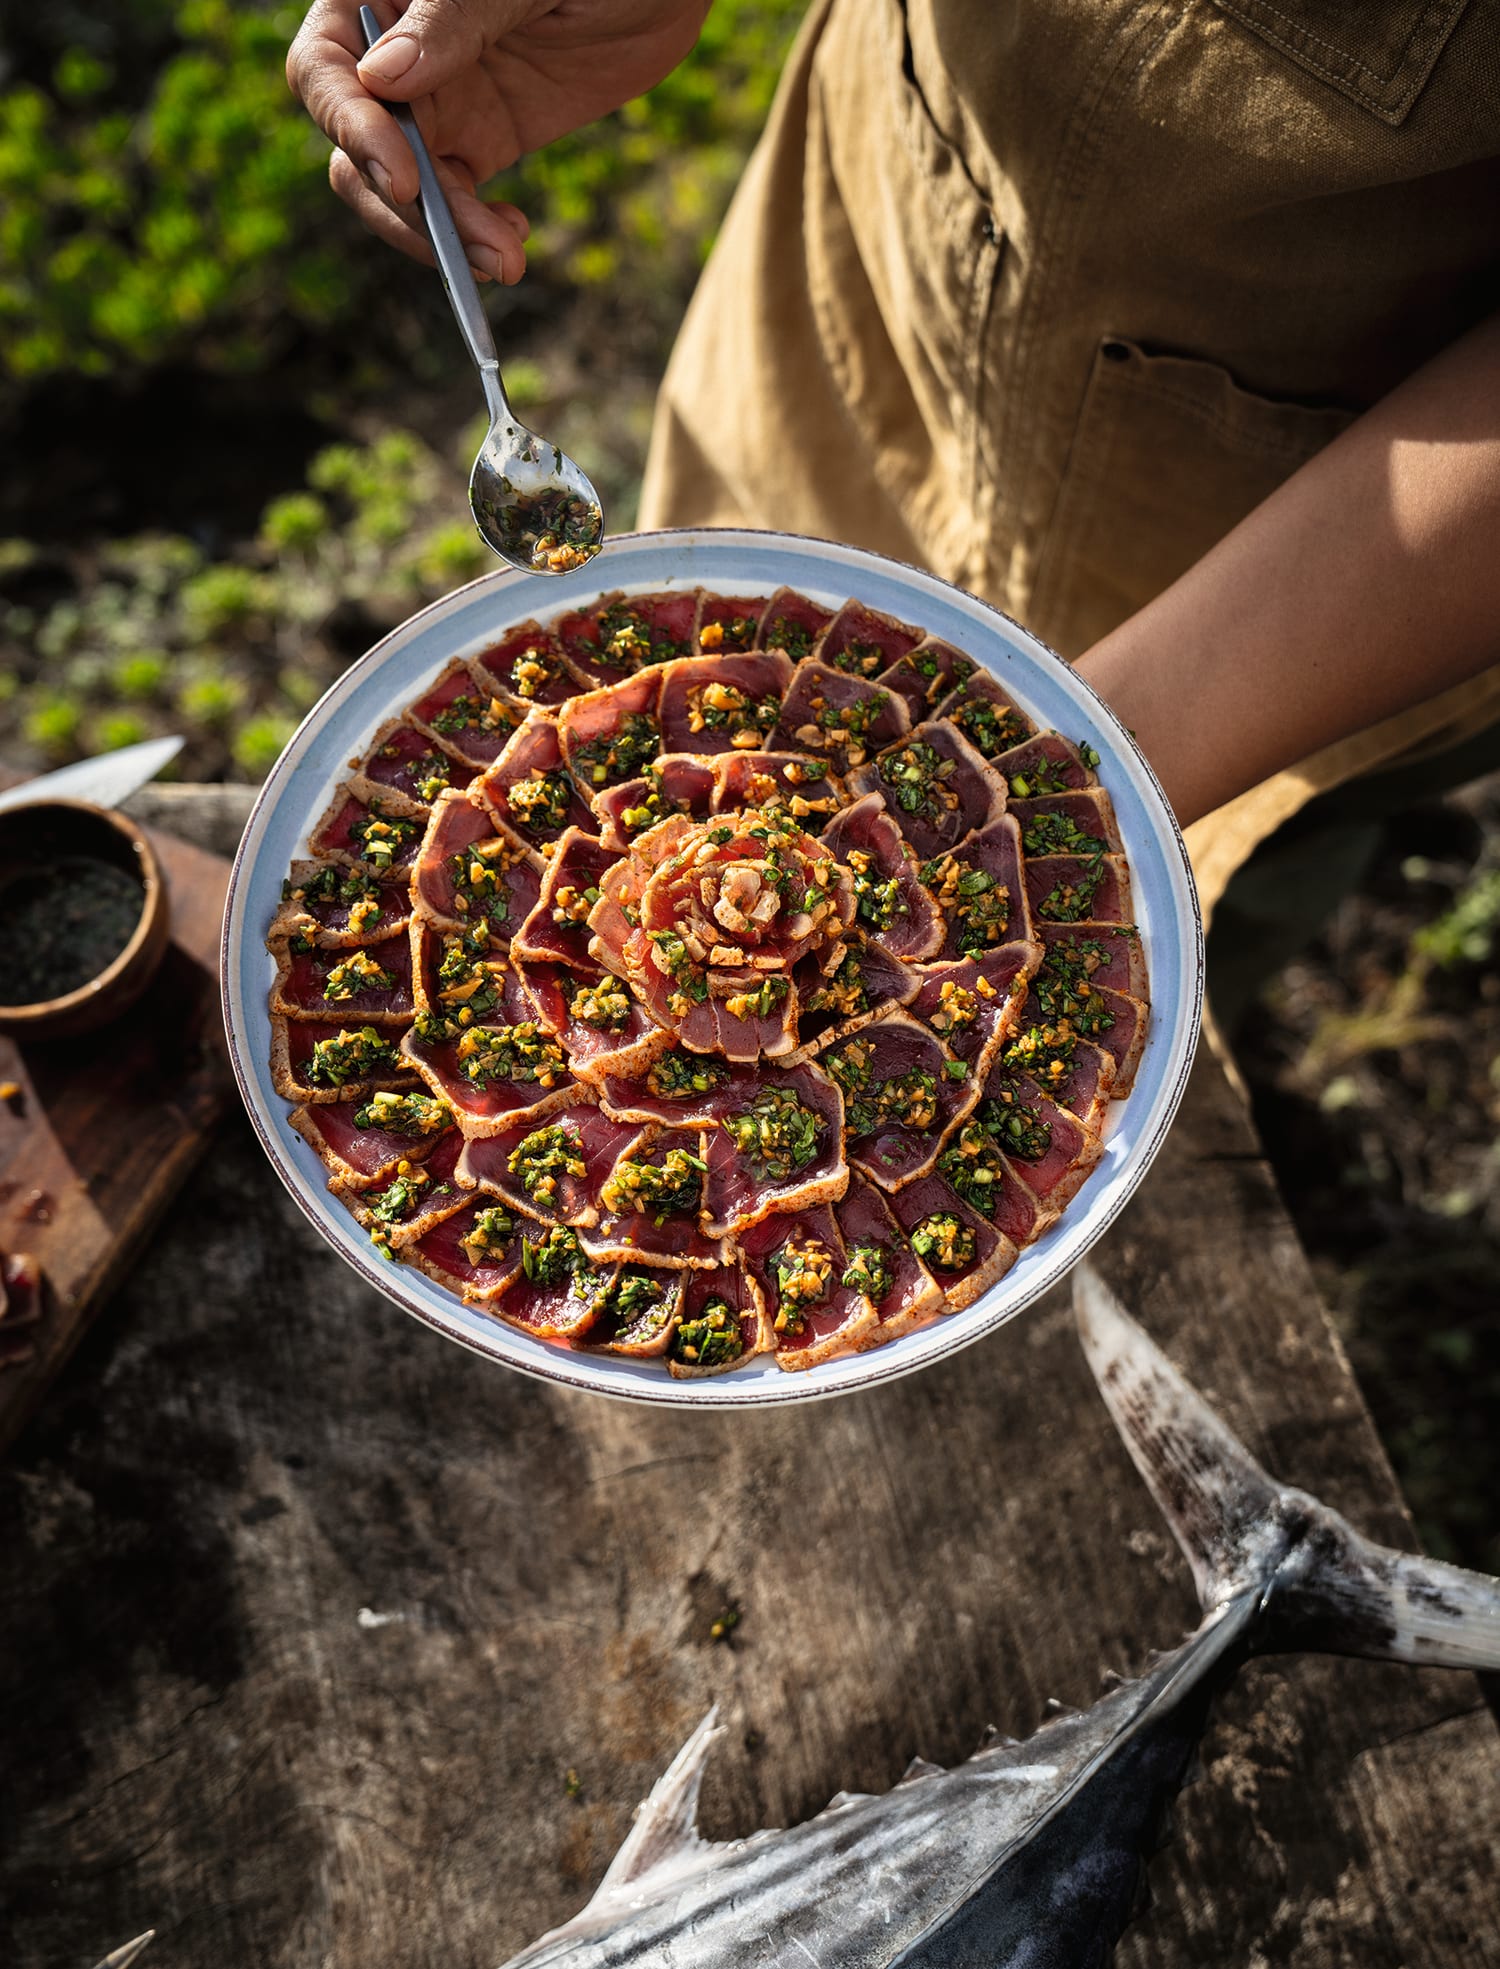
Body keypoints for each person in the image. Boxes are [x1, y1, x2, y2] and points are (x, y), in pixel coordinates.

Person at [287, 0, 1500, 961]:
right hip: (876, 269)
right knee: (687, 665)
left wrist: (1059, 783)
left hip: (1320, 553)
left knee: (1165, 923)